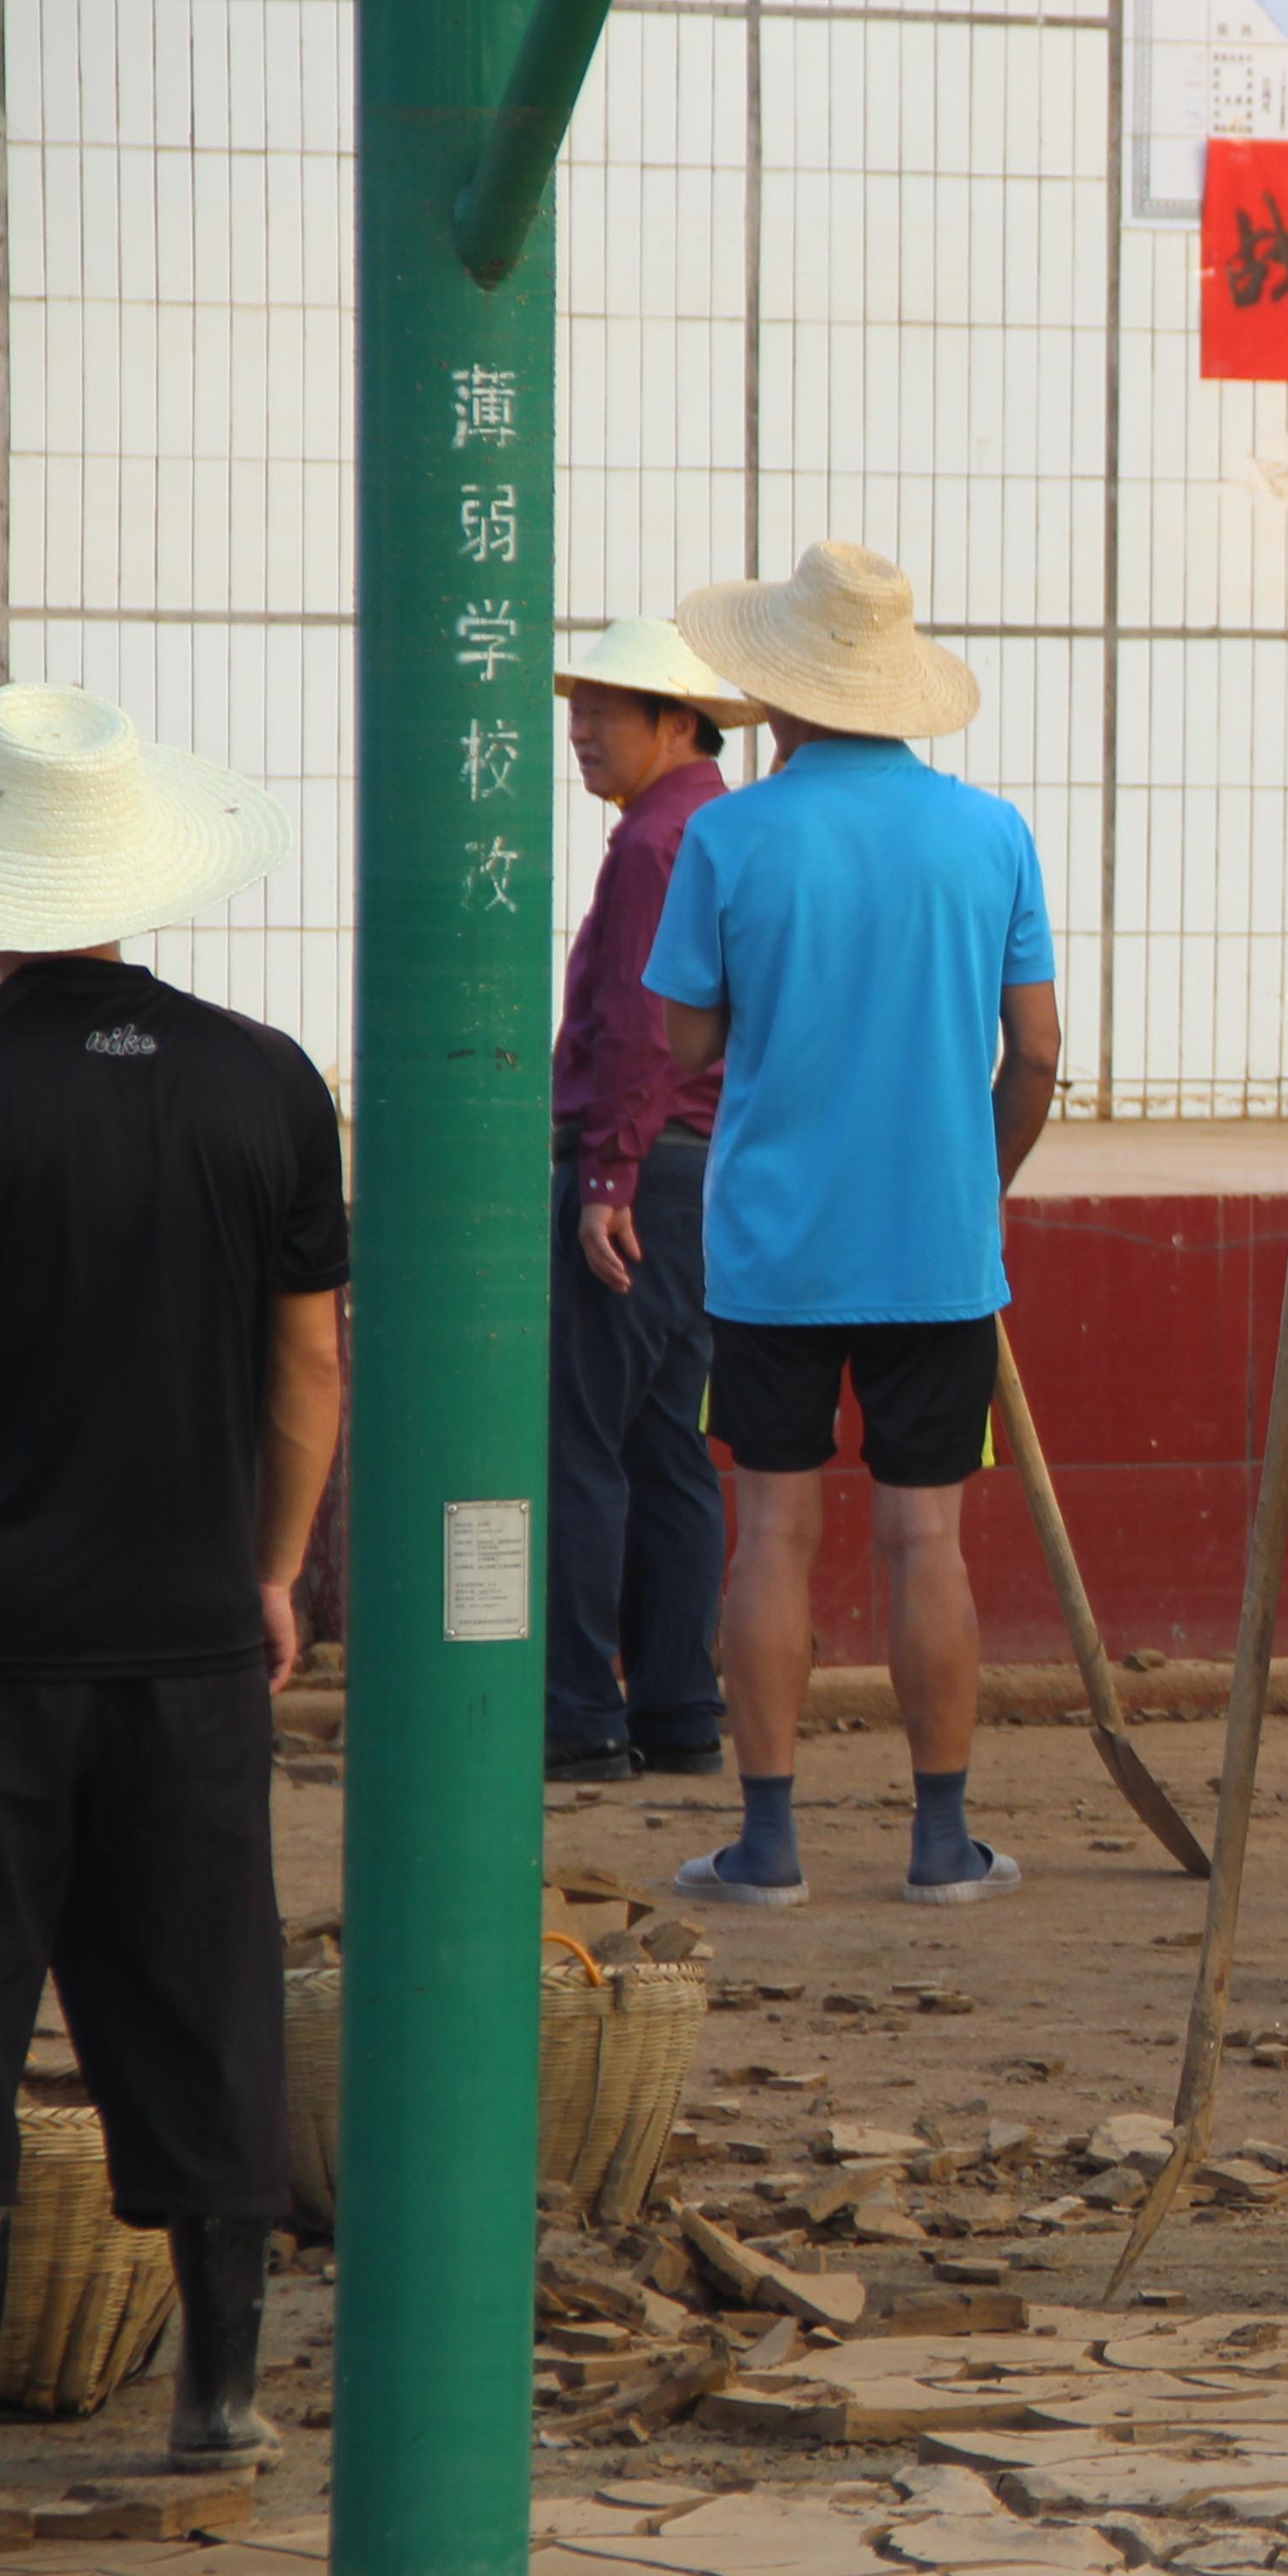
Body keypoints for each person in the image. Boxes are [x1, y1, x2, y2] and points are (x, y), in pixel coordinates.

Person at [0, 683, 343, 2474]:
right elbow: (311, 1364)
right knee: (201, 1988)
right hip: (191, 1631)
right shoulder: (265, 1079)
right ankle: (220, 2387)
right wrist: (271, 1573)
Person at [649, 543, 1061, 1912]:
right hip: (938, 1254)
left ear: (782, 692)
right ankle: (941, 1844)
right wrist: (971, 1181)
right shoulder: (992, 833)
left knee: (769, 1533)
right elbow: (1041, 1051)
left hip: (772, 1249)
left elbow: (688, 1032)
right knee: (924, 1540)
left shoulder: (726, 835)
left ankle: (768, 1847)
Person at [545, 618, 759, 1783]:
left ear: (676, 723)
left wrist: (606, 1176)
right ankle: (678, 1707)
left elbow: (638, 1024)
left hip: (643, 1163)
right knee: (671, 1442)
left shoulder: (649, 848)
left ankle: (578, 1711)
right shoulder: (725, 831)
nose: (578, 732)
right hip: (710, 1170)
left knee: (579, 1438)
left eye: (602, 713)